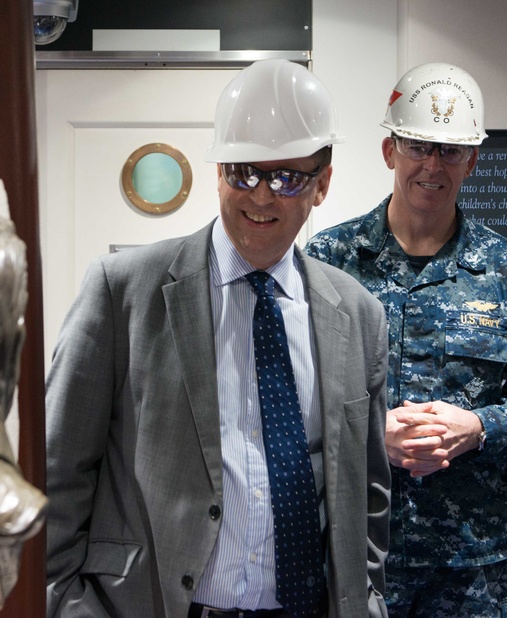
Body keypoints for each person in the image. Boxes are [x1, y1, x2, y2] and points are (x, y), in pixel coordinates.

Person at [45, 59, 391, 618]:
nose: (260, 197)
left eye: (285, 178)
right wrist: (63, 604)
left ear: (322, 183)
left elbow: (368, 492)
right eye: (242, 172)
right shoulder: (123, 291)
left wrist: (365, 596)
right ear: (218, 170)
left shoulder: (357, 316)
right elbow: (56, 472)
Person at [305, 62, 507, 617]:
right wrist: (368, 434)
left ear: (472, 161)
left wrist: (478, 427)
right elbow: (282, 393)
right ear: (389, 151)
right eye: (418, 146)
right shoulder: (326, 263)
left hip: (469, 567)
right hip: (350, 551)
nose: (432, 165)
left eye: (450, 151)